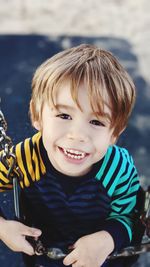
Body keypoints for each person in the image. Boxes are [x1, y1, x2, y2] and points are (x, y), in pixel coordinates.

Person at [0, 44, 140, 267]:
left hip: (101, 257)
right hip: (43, 256)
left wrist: (108, 239)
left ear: (114, 133)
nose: (77, 135)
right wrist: (3, 228)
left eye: (96, 122)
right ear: (37, 115)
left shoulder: (118, 168)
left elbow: (133, 216)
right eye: (64, 115)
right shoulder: (24, 159)